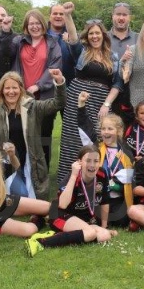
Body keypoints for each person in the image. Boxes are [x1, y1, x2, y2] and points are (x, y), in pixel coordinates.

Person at [0, 69, 66, 200]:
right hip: (7, 165)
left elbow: (58, 103)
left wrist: (59, 82)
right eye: (7, 88)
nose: (11, 92)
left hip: (31, 162)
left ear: (21, 89)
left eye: (14, 87)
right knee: (19, 197)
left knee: (32, 200)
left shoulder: (33, 107)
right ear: (2, 90)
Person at [57, 20, 124, 182]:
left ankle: (97, 180)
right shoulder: (82, 52)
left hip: (101, 103)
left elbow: (117, 84)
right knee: (73, 138)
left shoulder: (113, 57)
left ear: (103, 35)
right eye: (91, 33)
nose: (94, 36)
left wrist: (107, 104)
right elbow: (73, 38)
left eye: (97, 33)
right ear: (87, 37)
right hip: (77, 99)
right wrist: (68, 15)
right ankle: (68, 181)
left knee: (98, 138)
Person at [25, 145, 118, 257]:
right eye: (88, 161)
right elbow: (63, 205)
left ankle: (68, 234)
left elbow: (105, 201)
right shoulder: (72, 176)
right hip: (60, 214)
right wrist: (73, 176)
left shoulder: (102, 174)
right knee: (90, 234)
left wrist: (104, 226)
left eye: (96, 161)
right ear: (79, 162)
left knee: (104, 235)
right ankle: (40, 241)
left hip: (82, 219)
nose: (92, 165)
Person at [12, 9, 64, 169]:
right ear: (26, 26)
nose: (34, 27)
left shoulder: (52, 43)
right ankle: (22, 172)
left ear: (43, 24)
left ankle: (42, 173)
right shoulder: (19, 42)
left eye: (37, 23)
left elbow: (55, 66)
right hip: (21, 97)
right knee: (21, 135)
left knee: (44, 138)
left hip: (44, 98)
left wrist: (38, 86)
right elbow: (8, 55)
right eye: (31, 24)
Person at [77, 91, 135, 228]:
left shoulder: (126, 153)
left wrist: (115, 185)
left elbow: (129, 181)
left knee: (122, 220)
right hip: (99, 198)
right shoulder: (96, 147)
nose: (106, 132)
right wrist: (81, 105)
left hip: (117, 198)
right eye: (103, 129)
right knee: (91, 216)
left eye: (110, 129)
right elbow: (86, 128)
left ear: (118, 131)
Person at [0, 146, 50, 237]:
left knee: (48, 207)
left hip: (1, 202)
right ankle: (41, 219)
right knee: (28, 230)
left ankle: (56, 218)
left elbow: (17, 166)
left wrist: (12, 156)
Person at [47, 2, 78, 84]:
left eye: (61, 14)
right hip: (45, 84)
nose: (58, 16)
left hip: (68, 84)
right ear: (49, 16)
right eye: (55, 13)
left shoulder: (73, 36)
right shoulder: (41, 35)